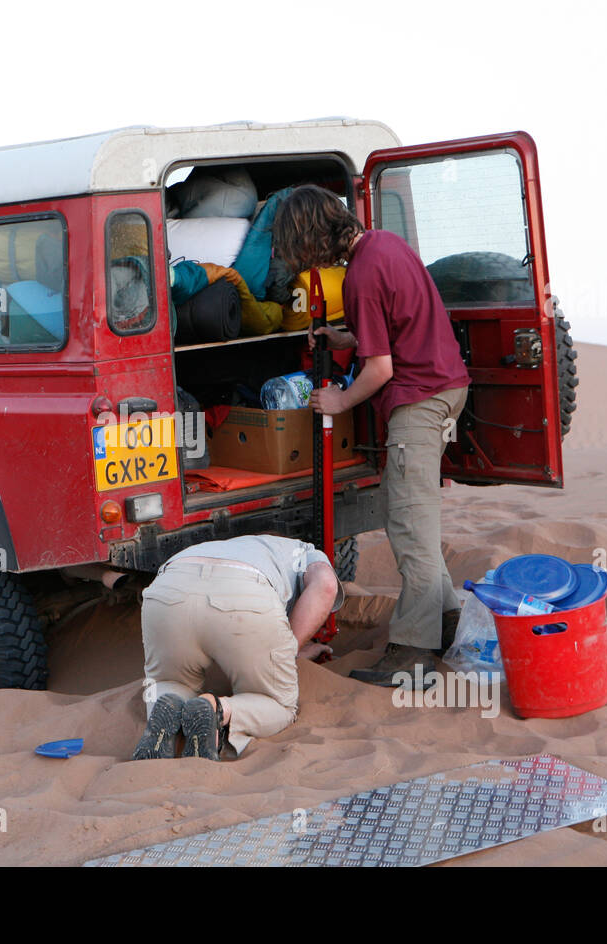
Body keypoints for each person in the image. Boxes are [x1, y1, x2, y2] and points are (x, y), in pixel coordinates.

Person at [272, 185, 471, 686]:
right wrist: (349, 339)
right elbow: (393, 330)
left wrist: (339, 400)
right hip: (446, 388)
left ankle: (413, 650)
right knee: (417, 520)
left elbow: (380, 368)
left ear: (314, 237)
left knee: (408, 530)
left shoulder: (358, 276)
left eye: (301, 247)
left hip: (418, 402)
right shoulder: (386, 244)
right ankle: (448, 622)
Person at [133, 534, 343, 761]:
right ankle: (217, 710)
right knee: (278, 704)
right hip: (244, 595)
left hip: (169, 588)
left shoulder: (229, 545)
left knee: (169, 682)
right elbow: (326, 586)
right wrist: (290, 649)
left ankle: (168, 707)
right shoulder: (305, 550)